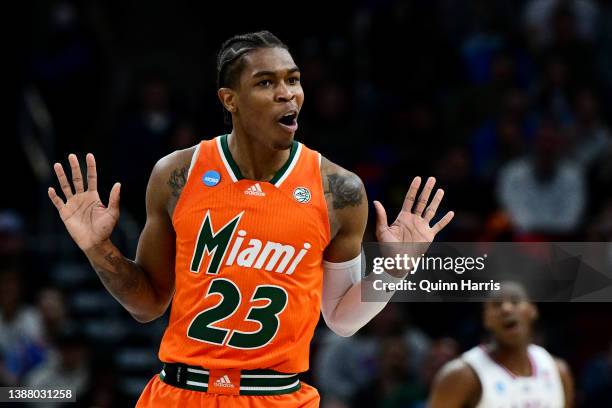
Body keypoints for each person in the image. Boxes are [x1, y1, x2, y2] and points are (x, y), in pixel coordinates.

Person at [48, 31, 454, 407]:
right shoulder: (177, 174)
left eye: (293, 80)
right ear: (230, 99)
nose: (287, 94)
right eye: (266, 83)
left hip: (275, 395)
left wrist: (397, 268)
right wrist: (97, 248)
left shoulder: (340, 190)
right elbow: (148, 303)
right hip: (181, 393)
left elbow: (341, 320)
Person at [428, 282, 574, 408]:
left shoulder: (558, 370)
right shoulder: (460, 375)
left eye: (515, 301)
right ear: (486, 319)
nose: (506, 309)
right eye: (497, 304)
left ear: (532, 310)